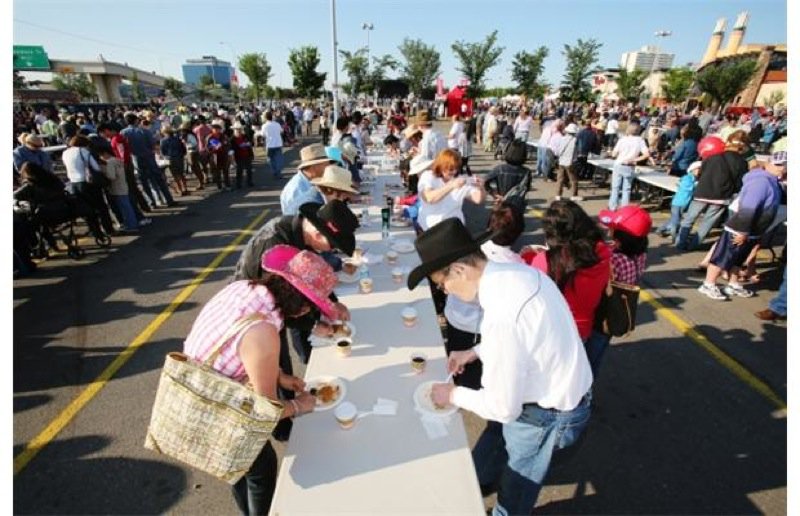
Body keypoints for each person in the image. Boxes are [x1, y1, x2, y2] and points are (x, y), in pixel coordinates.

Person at [406, 218, 593, 516]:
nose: (446, 292)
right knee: (500, 446)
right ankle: (479, 479)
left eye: (443, 285)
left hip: (548, 415)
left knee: (516, 491)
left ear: (460, 270)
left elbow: (503, 408)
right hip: (561, 392)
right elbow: (529, 334)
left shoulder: (500, 315)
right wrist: (474, 351)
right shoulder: (515, 272)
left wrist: (453, 394)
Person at [184, 245, 335, 516]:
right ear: (300, 307)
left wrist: (280, 376)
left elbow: (238, 344)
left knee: (238, 468)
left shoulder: (246, 288)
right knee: (260, 470)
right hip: (210, 406)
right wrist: (301, 405)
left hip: (196, 385)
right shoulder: (264, 332)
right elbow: (265, 411)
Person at [443, 202, 525, 390]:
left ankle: (454, 386)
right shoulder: (515, 266)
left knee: (454, 358)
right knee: (477, 371)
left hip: (455, 316)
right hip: (477, 329)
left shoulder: (470, 248)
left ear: (489, 225)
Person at [529, 200, 612, 375]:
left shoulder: (544, 261)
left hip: (552, 333)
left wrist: (529, 258)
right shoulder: (603, 252)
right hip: (583, 329)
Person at [697, 151, 786, 300]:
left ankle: (733, 283)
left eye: (784, 166)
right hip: (740, 228)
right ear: (769, 164)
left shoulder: (772, 181)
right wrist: (743, 231)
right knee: (723, 257)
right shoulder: (761, 182)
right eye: (779, 165)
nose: (782, 169)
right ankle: (708, 284)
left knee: (738, 259)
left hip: (752, 230)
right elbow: (748, 207)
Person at [594, 205, 651, 370]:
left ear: (618, 237)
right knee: (599, 352)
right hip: (618, 314)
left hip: (602, 314)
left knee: (590, 355)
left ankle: (584, 391)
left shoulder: (614, 259)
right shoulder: (640, 254)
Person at [676, 136, 747, 251]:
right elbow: (740, 183)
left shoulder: (713, 156)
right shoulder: (742, 162)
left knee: (689, 218)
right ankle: (693, 245)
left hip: (702, 192)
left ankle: (680, 242)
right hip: (722, 196)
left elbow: (701, 173)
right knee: (707, 222)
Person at [417, 148, 485, 231]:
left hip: (453, 229)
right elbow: (429, 198)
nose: (454, 171)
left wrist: (481, 188)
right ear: (441, 166)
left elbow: (478, 199)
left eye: (456, 168)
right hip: (430, 229)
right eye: (450, 169)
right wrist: (451, 186)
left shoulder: (460, 180)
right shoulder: (428, 176)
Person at [62, 135, 115, 238]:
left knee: (86, 209)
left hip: (74, 183)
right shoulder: (83, 151)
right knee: (101, 207)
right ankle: (108, 229)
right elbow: (95, 167)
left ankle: (95, 231)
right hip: (88, 182)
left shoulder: (65, 153)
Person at [280, 144, 336, 215]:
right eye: (326, 164)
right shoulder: (297, 190)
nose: (329, 167)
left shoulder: (312, 181)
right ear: (314, 167)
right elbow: (297, 220)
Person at [608, 123, 650, 210]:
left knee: (615, 187)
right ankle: (624, 209)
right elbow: (646, 155)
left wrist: (613, 153)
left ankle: (612, 207)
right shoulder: (640, 140)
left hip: (619, 164)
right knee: (626, 189)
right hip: (630, 166)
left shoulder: (622, 139)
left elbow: (614, 154)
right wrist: (634, 159)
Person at [483, 139, 531, 209]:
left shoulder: (500, 169)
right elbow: (526, 189)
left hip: (501, 203)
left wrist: (494, 194)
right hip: (518, 206)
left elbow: (484, 181)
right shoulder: (527, 172)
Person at [658, 160, 700, 239]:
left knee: (674, 218)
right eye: (698, 169)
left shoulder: (694, 179)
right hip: (678, 203)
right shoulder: (687, 178)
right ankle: (674, 235)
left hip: (684, 203)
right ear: (692, 169)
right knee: (676, 220)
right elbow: (687, 187)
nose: (699, 171)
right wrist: (696, 185)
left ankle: (661, 229)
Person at [101, 149, 140, 231]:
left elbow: (112, 176)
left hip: (116, 187)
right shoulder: (117, 160)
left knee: (124, 208)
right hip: (123, 185)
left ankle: (131, 226)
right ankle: (133, 223)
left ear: (105, 153)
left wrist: (104, 173)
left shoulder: (110, 163)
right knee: (128, 206)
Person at [554, 123, 582, 201]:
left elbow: (558, 150)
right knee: (573, 179)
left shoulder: (562, 138)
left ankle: (558, 195)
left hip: (561, 161)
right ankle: (574, 195)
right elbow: (578, 151)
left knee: (560, 179)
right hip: (570, 161)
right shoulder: (575, 140)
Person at [159, 127, 189, 196]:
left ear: (164, 133)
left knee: (175, 175)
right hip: (179, 157)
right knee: (181, 174)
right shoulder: (177, 139)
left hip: (170, 159)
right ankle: (185, 188)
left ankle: (180, 190)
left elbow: (163, 152)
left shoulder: (163, 141)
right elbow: (183, 148)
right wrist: (182, 154)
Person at [206, 124, 231, 190]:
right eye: (215, 129)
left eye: (218, 129)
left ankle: (227, 185)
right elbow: (207, 148)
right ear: (212, 130)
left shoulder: (224, 136)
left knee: (225, 171)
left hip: (224, 155)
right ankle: (219, 186)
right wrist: (214, 148)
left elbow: (228, 144)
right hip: (215, 156)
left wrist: (224, 146)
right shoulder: (210, 137)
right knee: (217, 172)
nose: (217, 130)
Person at [232, 123, 255, 189]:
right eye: (237, 130)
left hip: (247, 155)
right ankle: (238, 184)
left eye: (240, 129)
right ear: (234, 130)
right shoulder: (232, 139)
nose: (238, 131)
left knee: (249, 170)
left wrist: (249, 146)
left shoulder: (245, 136)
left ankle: (249, 182)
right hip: (239, 156)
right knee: (239, 170)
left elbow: (250, 144)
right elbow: (232, 148)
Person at [262, 112, 284, 179]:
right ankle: (278, 172)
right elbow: (281, 131)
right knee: (278, 159)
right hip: (278, 143)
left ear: (265, 118)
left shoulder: (264, 126)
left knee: (271, 160)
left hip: (270, 144)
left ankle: (274, 172)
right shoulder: (277, 124)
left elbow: (263, 135)